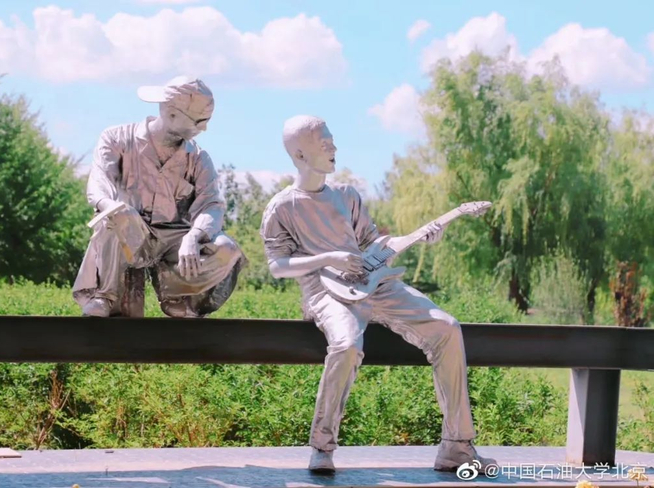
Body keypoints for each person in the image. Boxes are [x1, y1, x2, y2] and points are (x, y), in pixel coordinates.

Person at [259, 115, 497, 474]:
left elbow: (372, 244)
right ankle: (322, 446)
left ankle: (457, 446)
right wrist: (328, 258)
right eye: (324, 143)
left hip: (375, 283)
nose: (333, 147)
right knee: (346, 345)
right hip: (325, 292)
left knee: (447, 328)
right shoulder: (282, 207)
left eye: (332, 140)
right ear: (300, 154)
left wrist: (418, 238)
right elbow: (277, 265)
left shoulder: (346, 195)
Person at [73, 76, 245, 318]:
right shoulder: (117, 139)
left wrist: (194, 236)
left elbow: (212, 205)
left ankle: (174, 294)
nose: (204, 128)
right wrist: (112, 206)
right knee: (114, 217)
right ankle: (105, 296)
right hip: (127, 233)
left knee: (226, 249)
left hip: (174, 240)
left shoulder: (198, 158)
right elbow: (99, 182)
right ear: (172, 114)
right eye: (199, 121)